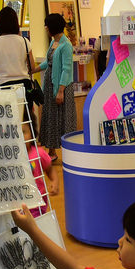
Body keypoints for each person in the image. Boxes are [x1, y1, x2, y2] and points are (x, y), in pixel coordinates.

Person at [0, 6, 38, 133]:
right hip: (24, 86)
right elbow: (32, 66)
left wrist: (3, 66)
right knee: (25, 119)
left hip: (4, 86)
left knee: (7, 121)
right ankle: (29, 148)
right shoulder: (24, 41)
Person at [37, 12, 77, 163]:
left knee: (63, 118)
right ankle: (51, 150)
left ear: (52, 27)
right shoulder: (53, 42)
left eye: (47, 25)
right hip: (50, 86)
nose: (45, 28)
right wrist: (35, 69)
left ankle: (68, 151)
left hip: (61, 86)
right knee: (50, 116)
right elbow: (49, 62)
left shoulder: (66, 45)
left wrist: (60, 90)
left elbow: (67, 69)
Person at [22, 115, 59, 217]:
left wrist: (54, 182)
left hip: (38, 203)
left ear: (32, 133)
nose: (20, 137)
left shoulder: (39, 153)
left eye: (23, 132)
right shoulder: (11, 158)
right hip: (20, 204)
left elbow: (50, 169)